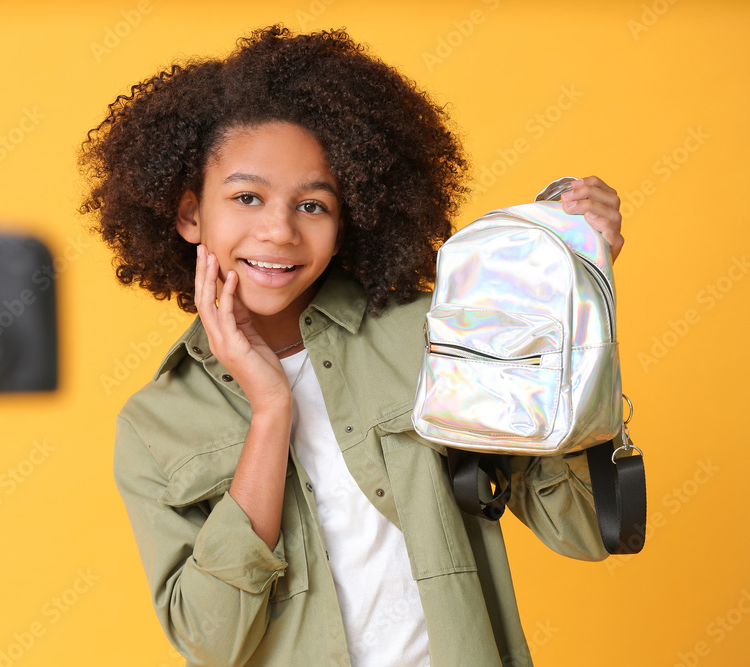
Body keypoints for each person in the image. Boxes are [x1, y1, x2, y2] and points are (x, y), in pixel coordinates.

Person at [80, 25, 624, 667]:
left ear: (349, 222)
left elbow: (583, 529)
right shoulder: (154, 426)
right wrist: (270, 412)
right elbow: (212, 640)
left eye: (313, 206)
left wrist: (578, 293)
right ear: (190, 214)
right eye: (247, 197)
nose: (279, 231)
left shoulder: (431, 333)